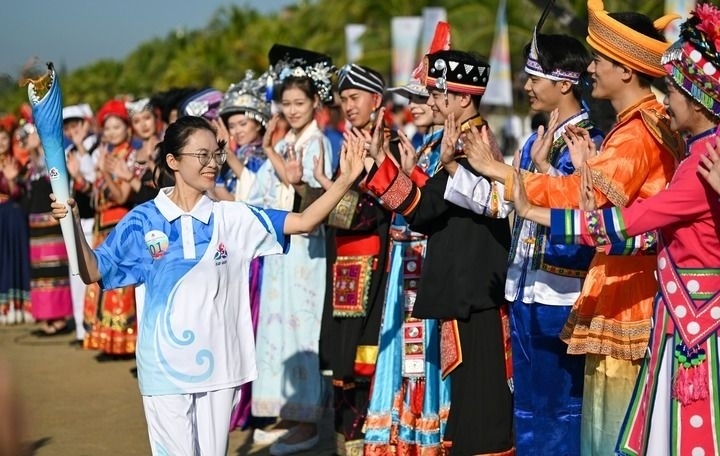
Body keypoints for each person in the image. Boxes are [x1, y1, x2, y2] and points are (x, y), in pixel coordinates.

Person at [50, 114, 368, 456]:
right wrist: (73, 226)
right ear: (173, 161)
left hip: (221, 366)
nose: (213, 163)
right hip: (163, 367)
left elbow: (304, 222)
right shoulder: (142, 221)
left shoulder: (231, 217)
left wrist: (345, 179)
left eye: (216, 154)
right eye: (202, 155)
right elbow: (93, 271)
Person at [457, 2, 682, 452]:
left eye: (598, 60)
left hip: (625, 297)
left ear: (625, 70)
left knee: (603, 427)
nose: (590, 69)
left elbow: (584, 201)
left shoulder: (636, 134)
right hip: (610, 289)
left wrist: (499, 171)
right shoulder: (630, 128)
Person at [512, 6, 720, 454]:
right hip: (676, 309)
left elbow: (629, 221)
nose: (667, 101)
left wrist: (527, 201)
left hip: (685, 314)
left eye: (674, 91)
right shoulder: (695, 150)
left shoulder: (691, 156)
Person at [443, 27, 605, 454]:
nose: (526, 86)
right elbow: (504, 204)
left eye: (535, 78)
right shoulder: (536, 138)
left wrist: (536, 171)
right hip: (524, 288)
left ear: (564, 83)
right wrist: (456, 169)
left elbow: (580, 214)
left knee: (561, 408)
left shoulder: (589, 143)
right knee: (528, 408)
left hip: (562, 291)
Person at [364, 48, 514, 455]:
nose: (430, 101)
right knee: (471, 393)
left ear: (462, 98)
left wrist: (381, 166)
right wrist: (388, 166)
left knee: (480, 396)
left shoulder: (470, 145)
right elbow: (432, 206)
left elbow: (426, 207)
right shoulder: (464, 140)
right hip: (470, 288)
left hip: (474, 289)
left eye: (436, 94)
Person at [247, 44, 335, 456]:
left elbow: (320, 199)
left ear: (316, 102)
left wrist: (295, 180)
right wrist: (268, 151)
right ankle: (287, 411)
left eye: (300, 102)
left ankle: (308, 421)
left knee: (302, 329)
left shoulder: (320, 143)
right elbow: (261, 192)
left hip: (306, 252)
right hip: (281, 251)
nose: (293, 109)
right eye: (287, 103)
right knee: (278, 329)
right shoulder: (285, 143)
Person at [320, 62, 393, 455]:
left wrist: (330, 194)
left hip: (375, 266)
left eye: (354, 97)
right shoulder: (353, 143)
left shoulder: (387, 145)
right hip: (346, 267)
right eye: (344, 99)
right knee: (347, 358)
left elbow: (370, 212)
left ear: (375, 100)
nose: (348, 105)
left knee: (369, 358)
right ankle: (350, 441)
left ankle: (370, 440)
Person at [213, 70, 272, 432]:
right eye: (231, 125)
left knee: (252, 328)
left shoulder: (263, 155)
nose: (236, 130)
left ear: (258, 122)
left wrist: (226, 158)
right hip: (238, 252)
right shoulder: (242, 154)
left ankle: (253, 406)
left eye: (241, 123)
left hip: (257, 257)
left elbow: (252, 200)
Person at [83, 99, 138, 355]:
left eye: (117, 127)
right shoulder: (108, 155)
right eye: (108, 128)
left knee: (119, 284)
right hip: (102, 226)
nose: (112, 132)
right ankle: (107, 342)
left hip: (120, 227)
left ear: (127, 128)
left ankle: (123, 343)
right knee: (102, 282)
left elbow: (121, 196)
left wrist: (105, 173)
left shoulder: (129, 156)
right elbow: (98, 198)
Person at [18, 122, 73, 336]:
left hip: (53, 222)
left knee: (55, 269)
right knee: (40, 273)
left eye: (30, 135)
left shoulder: (53, 158)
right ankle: (45, 315)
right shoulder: (30, 167)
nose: (26, 140)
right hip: (36, 225)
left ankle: (59, 318)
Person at [63, 103, 99, 344]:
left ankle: (94, 328)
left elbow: (93, 180)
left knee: (92, 275)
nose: (72, 130)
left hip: (95, 220)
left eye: (75, 125)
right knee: (76, 276)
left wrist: (81, 149)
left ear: (85, 124)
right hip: (76, 222)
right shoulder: (68, 152)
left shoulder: (96, 147)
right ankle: (80, 329)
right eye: (67, 127)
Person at [0, 120, 31, 325]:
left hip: (11, 216)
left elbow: (19, 193)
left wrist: (11, 180)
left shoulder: (16, 163)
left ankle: (14, 306)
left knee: (12, 257)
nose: (1, 143)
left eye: (3, 138)